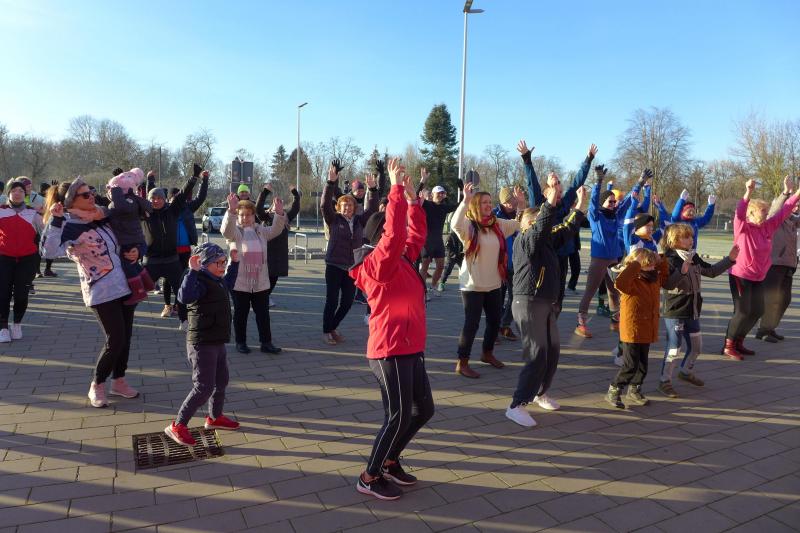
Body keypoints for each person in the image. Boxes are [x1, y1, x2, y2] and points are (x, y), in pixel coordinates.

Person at [350, 158, 434, 501]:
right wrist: (396, 189)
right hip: (390, 349)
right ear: (379, 239)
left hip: (410, 345)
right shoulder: (377, 265)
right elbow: (397, 234)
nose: (396, 240)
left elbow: (415, 235)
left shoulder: (402, 258)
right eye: (387, 234)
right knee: (397, 417)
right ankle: (369, 476)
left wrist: (414, 202)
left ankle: (389, 460)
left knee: (423, 410)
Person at [44, 177, 140, 407]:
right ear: (71, 201)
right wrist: (56, 220)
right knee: (115, 339)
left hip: (124, 284)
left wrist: (135, 251)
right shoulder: (67, 224)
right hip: (100, 290)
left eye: (92, 192)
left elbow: (124, 236)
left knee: (125, 338)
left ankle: (119, 381)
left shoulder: (101, 216)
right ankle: (97, 383)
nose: (91, 197)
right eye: (85, 195)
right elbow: (48, 251)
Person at [506, 183, 587, 427]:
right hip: (527, 302)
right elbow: (539, 229)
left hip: (546, 304)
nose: (541, 225)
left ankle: (540, 393)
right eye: (535, 222)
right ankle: (516, 405)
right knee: (537, 354)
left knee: (552, 351)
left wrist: (580, 205)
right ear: (526, 225)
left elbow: (568, 228)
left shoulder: (548, 241)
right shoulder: (524, 241)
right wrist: (549, 203)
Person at [165, 243, 241, 446]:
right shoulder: (198, 280)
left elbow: (230, 282)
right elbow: (184, 297)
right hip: (202, 343)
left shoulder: (218, 280)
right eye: (219, 263)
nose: (222, 266)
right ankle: (178, 425)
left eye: (224, 262)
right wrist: (192, 271)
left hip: (217, 340)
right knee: (204, 387)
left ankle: (215, 417)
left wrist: (234, 263)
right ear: (204, 264)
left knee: (221, 381)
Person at [452, 182, 523, 378]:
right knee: (472, 324)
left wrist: (521, 205)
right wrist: (465, 200)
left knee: (494, 321)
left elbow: (519, 224)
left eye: (490, 202)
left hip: (493, 283)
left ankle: (487, 353)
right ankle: (462, 362)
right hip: (472, 285)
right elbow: (455, 224)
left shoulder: (497, 224)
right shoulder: (469, 225)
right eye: (484, 202)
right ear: (476, 204)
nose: (488, 205)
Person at [723, 178, 800, 358]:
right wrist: (748, 192)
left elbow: (785, 210)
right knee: (742, 312)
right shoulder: (742, 227)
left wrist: (797, 193)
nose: (766, 214)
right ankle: (728, 345)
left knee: (758, 310)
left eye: (766, 211)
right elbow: (740, 211)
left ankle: (739, 341)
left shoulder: (767, 227)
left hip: (758, 276)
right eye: (763, 211)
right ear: (751, 213)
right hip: (741, 275)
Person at [658, 223, 738, 397]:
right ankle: (665, 381)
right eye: (686, 237)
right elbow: (667, 284)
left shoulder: (693, 256)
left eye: (691, 236)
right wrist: (682, 271)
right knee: (674, 348)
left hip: (693, 310)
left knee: (696, 347)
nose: (691, 240)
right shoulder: (668, 259)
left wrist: (730, 259)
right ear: (674, 240)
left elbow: (711, 271)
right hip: (676, 311)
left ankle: (685, 372)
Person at [519, 140, 597, 314]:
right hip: (544, 254)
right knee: (544, 292)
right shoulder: (539, 204)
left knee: (559, 295)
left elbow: (576, 183)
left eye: (560, 192)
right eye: (555, 190)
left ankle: (553, 318)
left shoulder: (564, 204)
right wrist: (527, 160)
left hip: (562, 254)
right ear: (546, 192)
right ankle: (540, 318)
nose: (559, 194)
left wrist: (588, 160)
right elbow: (532, 183)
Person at [320, 159, 378, 345]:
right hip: (334, 265)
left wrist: (373, 190)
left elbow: (372, 209)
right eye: (344, 205)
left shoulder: (360, 221)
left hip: (352, 267)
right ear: (339, 207)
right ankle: (327, 331)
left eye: (350, 205)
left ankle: (332, 327)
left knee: (346, 302)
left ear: (354, 208)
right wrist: (330, 183)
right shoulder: (334, 220)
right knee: (331, 301)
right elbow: (324, 205)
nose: (347, 208)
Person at [605, 248, 670, 409]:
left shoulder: (653, 278)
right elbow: (619, 283)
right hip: (632, 330)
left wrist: (661, 259)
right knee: (630, 365)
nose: (652, 268)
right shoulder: (630, 280)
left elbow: (665, 275)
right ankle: (614, 389)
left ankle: (634, 389)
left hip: (647, 328)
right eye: (647, 265)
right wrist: (635, 264)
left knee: (643, 365)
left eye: (652, 265)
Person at [221, 193, 286, 354]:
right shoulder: (235, 232)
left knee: (263, 314)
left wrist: (279, 213)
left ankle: (266, 343)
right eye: (242, 215)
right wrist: (231, 211)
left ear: (253, 216)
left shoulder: (260, 230)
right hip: (239, 281)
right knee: (241, 313)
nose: (245, 218)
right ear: (238, 216)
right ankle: (241, 342)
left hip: (260, 281)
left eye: (249, 215)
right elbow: (226, 231)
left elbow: (276, 230)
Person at [575, 165, 628, 338]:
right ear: (603, 203)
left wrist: (640, 184)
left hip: (613, 259)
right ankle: (580, 324)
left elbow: (627, 201)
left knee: (614, 291)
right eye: (610, 202)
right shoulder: (596, 216)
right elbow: (593, 201)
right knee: (590, 291)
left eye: (614, 202)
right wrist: (598, 182)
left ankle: (615, 321)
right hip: (599, 259)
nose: (613, 204)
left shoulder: (615, 215)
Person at [143, 168, 199, 329]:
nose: (156, 201)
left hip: (171, 260)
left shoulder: (172, 211)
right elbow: (147, 195)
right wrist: (150, 181)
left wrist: (194, 178)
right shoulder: (145, 214)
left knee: (180, 290)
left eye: (159, 198)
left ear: (164, 199)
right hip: (151, 261)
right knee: (137, 291)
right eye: (153, 198)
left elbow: (182, 194)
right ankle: (126, 321)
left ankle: (184, 320)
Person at [756, 177, 800, 343]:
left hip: (789, 265)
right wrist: (786, 193)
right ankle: (763, 330)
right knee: (772, 299)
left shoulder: (793, 221)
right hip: (774, 264)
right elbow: (775, 209)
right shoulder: (776, 220)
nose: (796, 206)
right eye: (794, 204)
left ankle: (770, 327)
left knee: (785, 300)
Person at [0, 179, 43, 343]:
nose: (17, 193)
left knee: (21, 294)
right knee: (3, 293)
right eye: (13, 191)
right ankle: (3, 327)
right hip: (4, 258)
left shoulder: (33, 213)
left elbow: (46, 231)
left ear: (25, 194)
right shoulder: (1, 211)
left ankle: (16, 324)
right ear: (8, 194)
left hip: (27, 259)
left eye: (20, 191)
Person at [163, 168, 209, 314]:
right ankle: (167, 305)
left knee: (182, 277)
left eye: (179, 196)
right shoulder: (166, 210)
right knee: (167, 279)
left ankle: (178, 305)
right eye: (174, 197)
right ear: (169, 199)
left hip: (184, 250)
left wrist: (205, 180)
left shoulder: (188, 208)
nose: (177, 200)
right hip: (170, 250)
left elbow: (201, 197)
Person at [255, 183, 301, 308]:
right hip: (266, 253)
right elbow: (258, 208)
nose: (277, 205)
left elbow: (296, 208)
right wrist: (265, 192)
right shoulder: (265, 217)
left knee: (274, 278)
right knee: (265, 277)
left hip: (279, 254)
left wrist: (295, 194)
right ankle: (262, 298)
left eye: (279, 203)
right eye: (275, 204)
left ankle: (265, 297)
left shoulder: (285, 218)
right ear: (271, 207)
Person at [416, 168, 459, 295]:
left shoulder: (444, 207)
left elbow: (459, 205)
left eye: (442, 193)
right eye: (438, 193)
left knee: (440, 266)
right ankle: (423, 290)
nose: (440, 195)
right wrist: (423, 180)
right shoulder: (426, 204)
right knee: (425, 266)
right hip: (427, 241)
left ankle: (433, 287)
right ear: (433, 194)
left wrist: (462, 191)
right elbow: (416, 195)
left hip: (438, 241)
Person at [494, 186, 520, 340]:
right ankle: (494, 328)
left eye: (514, 200)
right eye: (509, 201)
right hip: (498, 264)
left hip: (515, 263)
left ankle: (504, 324)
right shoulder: (494, 215)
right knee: (497, 298)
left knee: (515, 296)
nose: (513, 204)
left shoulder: (519, 214)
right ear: (503, 202)